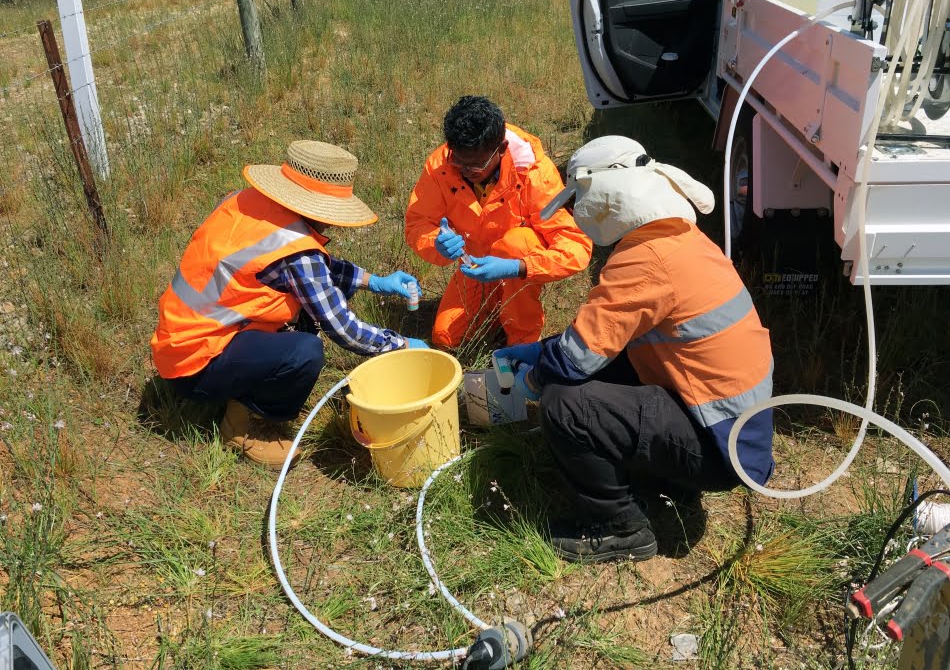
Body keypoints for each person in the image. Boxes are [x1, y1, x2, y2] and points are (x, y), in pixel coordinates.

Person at [495, 136, 775, 563]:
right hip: (735, 430)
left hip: (722, 449)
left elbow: (574, 361)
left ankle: (621, 528)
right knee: (592, 373)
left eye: (576, 205)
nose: (574, 215)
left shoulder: (645, 259)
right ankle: (658, 475)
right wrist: (544, 349)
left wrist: (533, 377)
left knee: (563, 402)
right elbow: (606, 340)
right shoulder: (678, 237)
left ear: (603, 196)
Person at [151, 141, 428, 469]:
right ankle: (240, 430)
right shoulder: (296, 253)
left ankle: (238, 381)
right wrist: (400, 345)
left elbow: (312, 269)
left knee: (298, 314)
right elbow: (344, 330)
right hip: (196, 366)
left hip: (178, 342)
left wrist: (374, 280)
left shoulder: (247, 202)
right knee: (304, 351)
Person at [404, 96, 592, 349]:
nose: (465, 171)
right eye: (459, 161)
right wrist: (435, 243)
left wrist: (518, 267)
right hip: (473, 264)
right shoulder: (441, 165)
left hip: (517, 264)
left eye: (476, 165)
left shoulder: (534, 172)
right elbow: (418, 222)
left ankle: (522, 336)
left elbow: (576, 245)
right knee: (447, 339)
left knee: (517, 244)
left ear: (501, 149)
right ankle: (495, 306)